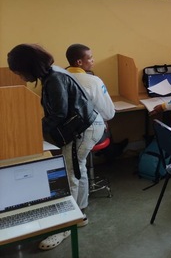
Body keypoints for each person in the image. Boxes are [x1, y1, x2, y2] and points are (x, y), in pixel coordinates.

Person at [7, 44, 105, 250]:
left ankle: (66, 226)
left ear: (28, 67)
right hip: (86, 125)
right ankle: (80, 215)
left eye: (18, 72)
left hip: (83, 129)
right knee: (78, 171)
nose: (18, 76)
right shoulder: (53, 73)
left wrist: (34, 130)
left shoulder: (54, 79)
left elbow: (59, 114)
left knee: (70, 174)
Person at [65, 43, 128, 159]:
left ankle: (109, 152)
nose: (93, 60)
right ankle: (112, 153)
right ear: (79, 62)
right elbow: (109, 113)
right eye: (89, 58)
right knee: (104, 121)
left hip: (66, 133)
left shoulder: (60, 77)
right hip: (86, 132)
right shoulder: (93, 81)